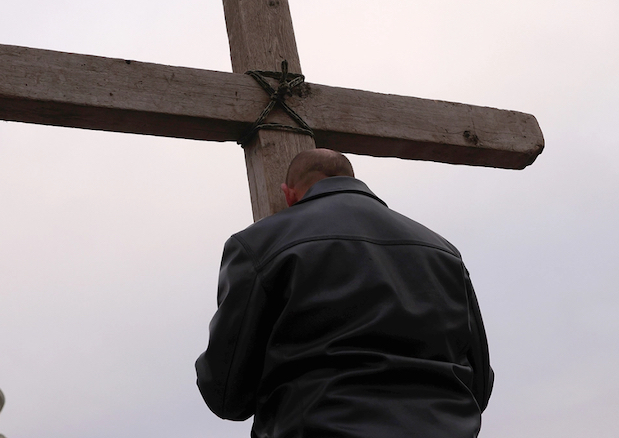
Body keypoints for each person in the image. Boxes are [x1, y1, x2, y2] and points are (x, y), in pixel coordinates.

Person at [195, 149, 493, 438]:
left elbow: (226, 395)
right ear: (355, 181)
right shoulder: (444, 251)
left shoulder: (258, 244)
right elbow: (478, 386)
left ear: (289, 194)